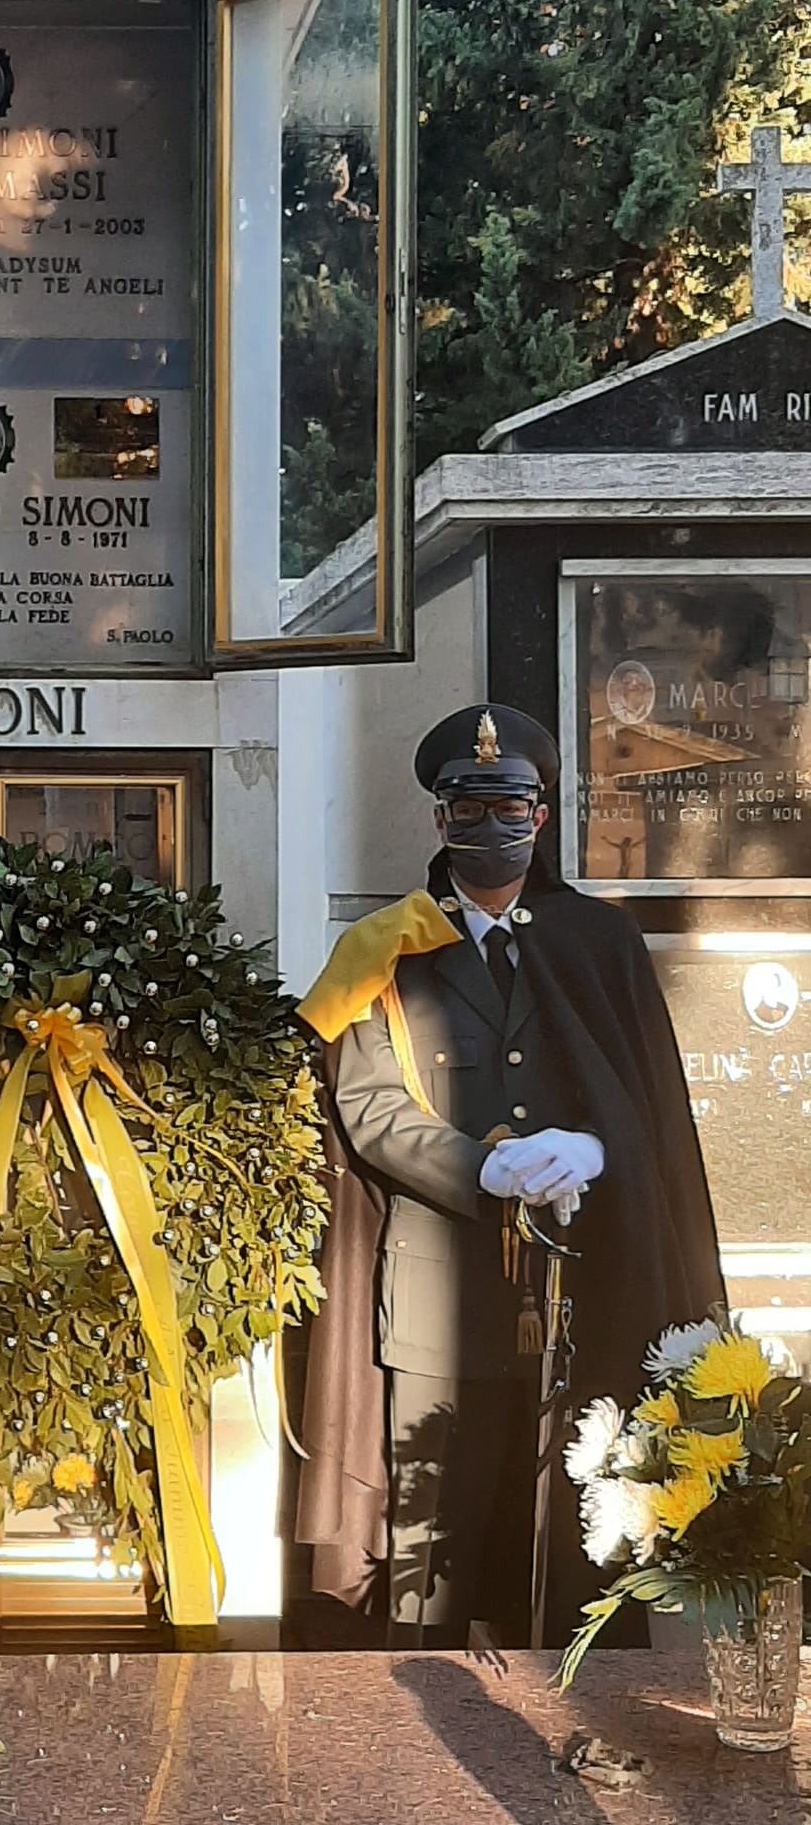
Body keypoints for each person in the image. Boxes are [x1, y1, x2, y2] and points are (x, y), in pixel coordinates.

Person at [293, 703, 723, 1648]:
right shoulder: (383, 950)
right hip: (435, 1300)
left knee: (575, 1543)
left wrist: (596, 1150)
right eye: (470, 809)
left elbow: (642, 1108)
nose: (494, 830)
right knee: (422, 1559)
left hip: (579, 1295)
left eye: (513, 808)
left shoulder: (597, 945)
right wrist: (484, 1170)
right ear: (439, 820)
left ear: (542, 813)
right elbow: (366, 1110)